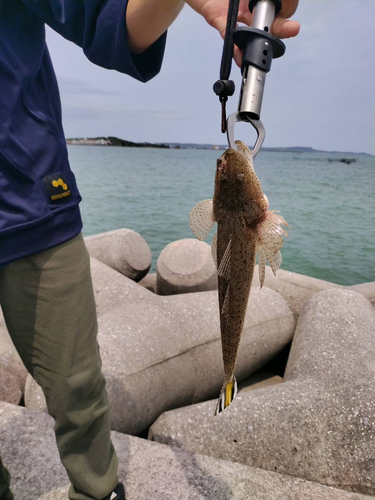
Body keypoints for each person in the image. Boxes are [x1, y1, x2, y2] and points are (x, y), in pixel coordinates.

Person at [0, 1, 299, 499]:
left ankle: (97, 489)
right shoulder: (249, 214)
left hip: (34, 205)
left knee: (78, 386)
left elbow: (109, 24)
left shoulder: (243, 215)